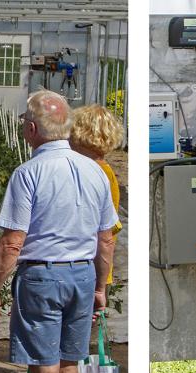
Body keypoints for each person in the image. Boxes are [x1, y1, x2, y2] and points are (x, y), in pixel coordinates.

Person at [0, 90, 117, 373]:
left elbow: (12, 242)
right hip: (82, 274)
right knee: (71, 364)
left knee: (46, 367)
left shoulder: (29, 173)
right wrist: (101, 286)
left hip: (42, 275)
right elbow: (106, 238)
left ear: (30, 128)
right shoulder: (95, 171)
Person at [70, 103, 123, 284]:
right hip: (88, 266)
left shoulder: (100, 172)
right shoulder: (94, 168)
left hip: (92, 268)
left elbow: (107, 230)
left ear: (82, 134)